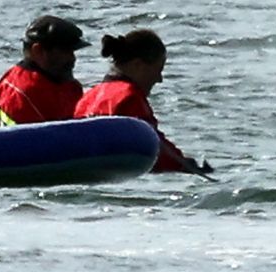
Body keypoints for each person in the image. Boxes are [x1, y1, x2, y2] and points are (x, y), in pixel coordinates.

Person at [74, 28, 211, 175]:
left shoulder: (87, 98)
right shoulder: (129, 97)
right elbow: (155, 150)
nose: (160, 79)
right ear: (138, 65)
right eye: (158, 69)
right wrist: (189, 167)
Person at [0, 14, 89, 128]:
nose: (72, 58)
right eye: (64, 51)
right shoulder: (23, 95)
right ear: (38, 51)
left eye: (72, 52)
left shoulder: (66, 84)